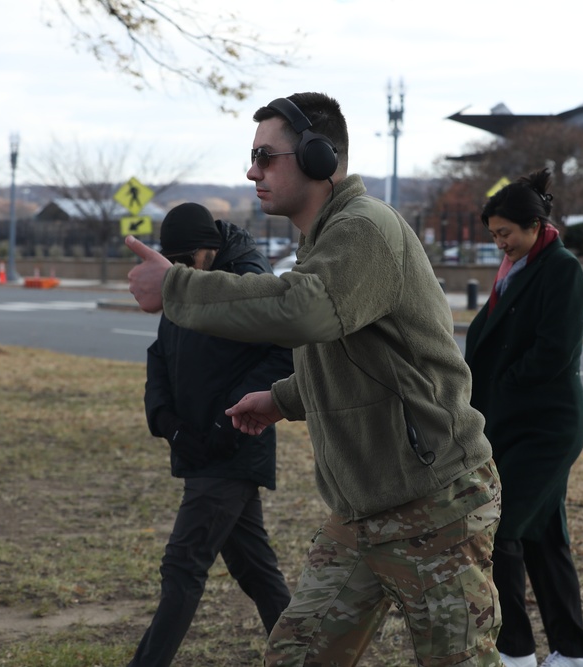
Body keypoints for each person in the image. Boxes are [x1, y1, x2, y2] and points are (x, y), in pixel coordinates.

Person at [126, 92, 503, 666]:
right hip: (360, 511)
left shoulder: (365, 230)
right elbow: (362, 359)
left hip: (435, 502)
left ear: (320, 158)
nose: (252, 171)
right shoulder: (322, 240)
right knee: (295, 656)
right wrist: (282, 398)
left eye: (266, 156)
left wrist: (177, 287)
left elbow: (303, 311)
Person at [126, 202, 294, 667]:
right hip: (198, 443)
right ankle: (305, 657)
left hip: (233, 445)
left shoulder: (248, 282)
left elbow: (282, 356)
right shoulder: (186, 280)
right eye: (172, 262)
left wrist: (225, 424)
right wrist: (165, 419)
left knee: (182, 566)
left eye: (187, 261)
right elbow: (160, 352)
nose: (179, 271)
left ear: (211, 249)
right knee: (256, 572)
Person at [464, 169, 583, 667]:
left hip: (546, 427)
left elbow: (554, 351)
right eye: (495, 235)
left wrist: (498, 384)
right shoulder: (515, 269)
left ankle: (513, 650)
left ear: (536, 225)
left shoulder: (561, 269)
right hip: (513, 424)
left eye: (506, 234)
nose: (500, 244)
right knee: (546, 537)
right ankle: (574, 653)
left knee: (499, 530)